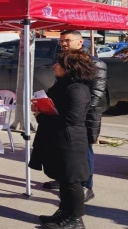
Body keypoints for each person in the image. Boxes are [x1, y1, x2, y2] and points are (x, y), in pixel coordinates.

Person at [30, 49, 96, 229]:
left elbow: (72, 118)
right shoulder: (63, 84)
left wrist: (41, 116)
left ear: (70, 67)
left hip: (70, 141)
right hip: (57, 138)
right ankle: (64, 212)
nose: (54, 66)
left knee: (72, 181)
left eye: (58, 64)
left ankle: (75, 218)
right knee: (63, 179)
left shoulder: (78, 89)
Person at [42, 31, 107, 203]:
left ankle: (86, 185)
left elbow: (96, 94)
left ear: (80, 42)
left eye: (67, 40)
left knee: (83, 150)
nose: (63, 43)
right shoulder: (63, 61)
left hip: (83, 116)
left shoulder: (94, 63)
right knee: (63, 148)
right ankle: (65, 177)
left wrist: (77, 112)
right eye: (61, 40)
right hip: (65, 114)